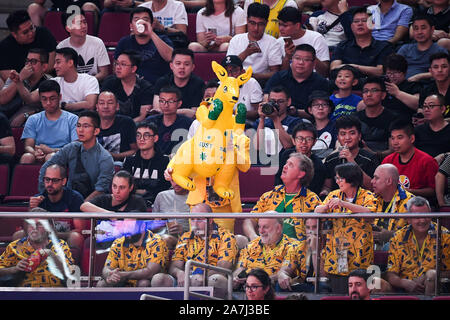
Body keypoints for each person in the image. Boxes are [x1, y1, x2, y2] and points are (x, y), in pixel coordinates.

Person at [315, 162, 378, 294]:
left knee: (360, 292)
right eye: (336, 178)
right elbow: (317, 210)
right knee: (339, 293)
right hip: (337, 253)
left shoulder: (367, 196)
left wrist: (344, 204)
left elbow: (370, 214)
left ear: (351, 178)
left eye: (340, 178)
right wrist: (326, 207)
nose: (337, 181)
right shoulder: (334, 194)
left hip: (360, 254)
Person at [151, 203, 237, 297]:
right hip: (186, 278)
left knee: (217, 280)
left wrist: (200, 275)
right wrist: (179, 273)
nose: (195, 224)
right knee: (158, 279)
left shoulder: (226, 236)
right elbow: (174, 266)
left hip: (210, 278)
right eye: (192, 219)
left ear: (210, 220)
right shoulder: (185, 237)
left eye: (199, 219)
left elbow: (223, 268)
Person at [38, 110, 114, 201]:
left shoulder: (105, 158)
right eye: (78, 126)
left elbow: (100, 190)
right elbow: (45, 168)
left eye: (86, 126)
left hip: (92, 206)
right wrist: (46, 197)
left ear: (96, 131)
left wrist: (80, 207)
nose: (80, 130)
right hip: (68, 200)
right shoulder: (71, 148)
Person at [243, 153, 322, 241]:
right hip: (267, 248)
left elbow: (320, 232)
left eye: (290, 165)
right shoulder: (269, 196)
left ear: (301, 174)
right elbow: (249, 220)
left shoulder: (311, 200)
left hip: (294, 251)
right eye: (286, 163)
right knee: (239, 239)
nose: (285, 166)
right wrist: (253, 236)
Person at [386, 196, 450, 294]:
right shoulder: (398, 237)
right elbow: (391, 274)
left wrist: (426, 276)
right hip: (403, 289)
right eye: (417, 217)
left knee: (431, 275)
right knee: (377, 283)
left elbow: (448, 272)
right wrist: (403, 283)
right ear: (408, 219)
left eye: (425, 215)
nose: (422, 220)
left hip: (436, 288)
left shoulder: (444, 235)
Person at [27, 164, 86, 262]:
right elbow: (29, 229)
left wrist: (55, 234)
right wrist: (31, 209)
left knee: (76, 237)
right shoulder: (38, 199)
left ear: (63, 181)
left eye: (54, 180)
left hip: (64, 238)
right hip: (42, 238)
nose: (50, 184)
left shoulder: (75, 198)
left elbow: (80, 230)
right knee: (19, 234)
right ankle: (25, 269)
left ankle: (72, 269)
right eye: (47, 179)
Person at [18, 47, 100, 114]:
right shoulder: (53, 82)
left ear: (70, 63)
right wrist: (18, 81)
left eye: (58, 62)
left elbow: (90, 104)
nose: (54, 66)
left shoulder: (90, 80)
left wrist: (63, 106)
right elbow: (30, 99)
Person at [0, 218, 74, 287]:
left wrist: (51, 255)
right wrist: (14, 269)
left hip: (53, 292)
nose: (34, 228)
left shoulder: (60, 245)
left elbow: (71, 276)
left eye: (39, 224)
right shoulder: (15, 246)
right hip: (24, 294)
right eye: (31, 224)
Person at [20, 80, 78, 165]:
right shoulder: (33, 119)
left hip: (62, 156)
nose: (48, 103)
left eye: (52, 98)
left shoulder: (73, 119)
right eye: (44, 99)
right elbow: (28, 146)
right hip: (39, 153)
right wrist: (35, 153)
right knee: (27, 157)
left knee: (51, 157)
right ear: (40, 99)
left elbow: (74, 147)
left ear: (60, 97)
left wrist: (52, 150)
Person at [264, 44, 331, 117]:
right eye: (297, 58)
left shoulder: (321, 82)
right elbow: (266, 97)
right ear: (291, 59)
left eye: (306, 59)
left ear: (314, 63)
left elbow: (321, 111)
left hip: (307, 122)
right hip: (278, 117)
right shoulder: (279, 77)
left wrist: (296, 112)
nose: (301, 63)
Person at [96, 219, 168, 287]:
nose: (126, 231)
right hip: (123, 279)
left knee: (144, 283)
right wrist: (109, 274)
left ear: (142, 227)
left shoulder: (156, 241)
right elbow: (107, 267)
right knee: (102, 283)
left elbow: (150, 272)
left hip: (145, 279)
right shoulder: (119, 242)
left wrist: (123, 275)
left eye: (130, 227)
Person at [234, 218, 302, 289]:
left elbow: (284, 272)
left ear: (278, 228)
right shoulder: (251, 245)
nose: (261, 231)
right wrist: (235, 278)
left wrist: (258, 281)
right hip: (246, 287)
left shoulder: (291, 245)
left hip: (271, 288)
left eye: (265, 227)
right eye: (259, 227)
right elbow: (240, 268)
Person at [322, 115, 379, 196]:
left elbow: (372, 187)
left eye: (352, 133)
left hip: (363, 203)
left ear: (359, 136)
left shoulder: (370, 158)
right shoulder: (331, 159)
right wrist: (325, 191)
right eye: (343, 134)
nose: (347, 137)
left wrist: (352, 161)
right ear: (338, 137)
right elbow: (327, 186)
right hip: (336, 203)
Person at [330, 6, 394, 78]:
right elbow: (334, 68)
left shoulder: (384, 47)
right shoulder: (342, 46)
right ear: (351, 26)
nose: (360, 24)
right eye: (356, 21)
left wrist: (353, 67)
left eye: (364, 20)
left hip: (372, 86)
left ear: (372, 24)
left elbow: (381, 71)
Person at [114, 7, 174, 84]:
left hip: (157, 85)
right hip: (132, 85)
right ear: (131, 26)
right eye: (136, 20)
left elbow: (170, 57)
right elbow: (116, 69)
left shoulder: (162, 39)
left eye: (145, 20)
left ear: (151, 25)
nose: (141, 23)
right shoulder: (124, 42)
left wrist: (151, 32)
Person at [382, 119, 438, 200]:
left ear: (412, 139)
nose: (395, 142)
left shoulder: (427, 161)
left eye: (399, 138)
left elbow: (434, 190)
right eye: (392, 138)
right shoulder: (388, 161)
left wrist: (409, 192)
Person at [226, 3, 282, 83]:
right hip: (235, 81)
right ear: (247, 21)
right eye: (252, 23)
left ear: (266, 23)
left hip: (261, 82)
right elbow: (229, 67)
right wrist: (245, 53)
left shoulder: (272, 43)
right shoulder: (236, 40)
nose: (256, 28)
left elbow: (275, 73)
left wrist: (252, 76)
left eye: (260, 24)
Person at [123, 121, 171, 207]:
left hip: (158, 205)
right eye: (138, 135)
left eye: (146, 135)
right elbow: (123, 185)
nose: (141, 139)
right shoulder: (129, 161)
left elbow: (164, 188)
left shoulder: (165, 161)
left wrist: (142, 191)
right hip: (131, 204)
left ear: (155, 138)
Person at [0, 10, 56, 81]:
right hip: (20, 85)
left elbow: (51, 64)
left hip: (47, 78)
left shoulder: (43, 33)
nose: (31, 33)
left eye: (32, 27)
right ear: (14, 34)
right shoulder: (4, 47)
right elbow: (7, 76)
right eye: (25, 32)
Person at [0, 48, 51, 127]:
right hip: (4, 117)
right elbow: (2, 99)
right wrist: (19, 78)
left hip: (28, 124)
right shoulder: (16, 76)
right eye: (27, 61)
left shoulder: (49, 82)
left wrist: (26, 115)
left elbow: (48, 109)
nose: (28, 65)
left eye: (33, 61)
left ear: (44, 67)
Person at [278, 218, 329, 293]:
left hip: (320, 285)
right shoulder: (298, 246)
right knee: (280, 285)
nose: (311, 231)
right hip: (303, 284)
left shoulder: (330, 247)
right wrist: (282, 275)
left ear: (322, 228)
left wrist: (315, 250)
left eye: (315, 227)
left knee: (323, 286)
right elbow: (285, 269)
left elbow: (323, 276)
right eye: (308, 228)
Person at [274, 122, 327, 196]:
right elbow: (278, 179)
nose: (304, 142)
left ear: (314, 142)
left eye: (308, 139)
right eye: (300, 138)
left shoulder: (318, 164)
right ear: (293, 140)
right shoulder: (286, 155)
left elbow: (313, 191)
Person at [57, 10, 110, 82]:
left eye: (85, 22)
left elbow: (104, 73)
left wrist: (86, 82)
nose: (84, 26)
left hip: (93, 83)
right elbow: (61, 74)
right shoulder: (61, 47)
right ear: (68, 28)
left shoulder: (98, 43)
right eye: (79, 23)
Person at [101, 50, 154, 122]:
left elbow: (142, 116)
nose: (118, 67)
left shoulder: (145, 87)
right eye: (117, 64)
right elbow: (102, 109)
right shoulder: (109, 83)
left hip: (135, 126)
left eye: (123, 64)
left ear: (133, 69)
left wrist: (126, 127)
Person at [277, 7, 330, 78]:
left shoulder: (316, 38)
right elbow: (281, 76)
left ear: (297, 26)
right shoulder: (279, 42)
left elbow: (325, 72)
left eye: (285, 25)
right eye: (279, 24)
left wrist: (309, 56)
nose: (280, 28)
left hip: (314, 81)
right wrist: (287, 57)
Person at [152, 48, 205, 118]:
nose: (182, 67)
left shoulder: (198, 84)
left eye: (186, 64)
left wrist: (168, 111)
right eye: (178, 63)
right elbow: (157, 109)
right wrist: (185, 111)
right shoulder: (162, 82)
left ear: (192, 67)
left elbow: (193, 114)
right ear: (171, 66)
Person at [371, 163, 415, 247]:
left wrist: (392, 235)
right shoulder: (370, 199)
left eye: (376, 178)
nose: (372, 181)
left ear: (389, 181)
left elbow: (419, 233)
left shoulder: (411, 202)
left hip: (400, 252)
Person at [253, 85, 305, 156]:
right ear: (267, 101)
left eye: (280, 101)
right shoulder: (259, 122)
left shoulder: (296, 122)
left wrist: (275, 119)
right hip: (261, 163)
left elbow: (288, 145)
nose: (276, 104)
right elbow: (257, 147)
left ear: (288, 102)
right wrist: (262, 118)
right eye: (272, 101)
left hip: (284, 162)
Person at [397, 14, 447, 82]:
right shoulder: (405, 49)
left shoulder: (439, 51)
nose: (419, 32)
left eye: (423, 28)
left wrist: (420, 76)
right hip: (404, 85)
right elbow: (393, 68)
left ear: (432, 30)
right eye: (416, 28)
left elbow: (445, 72)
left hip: (428, 87)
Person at [145, 86, 193, 156]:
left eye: (171, 101)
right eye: (162, 101)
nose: (166, 105)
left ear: (179, 103)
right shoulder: (150, 122)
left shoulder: (188, 123)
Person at [356, 76, 396, 153]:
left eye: (374, 90)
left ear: (383, 95)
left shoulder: (394, 119)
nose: (369, 94)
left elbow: (393, 150)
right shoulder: (354, 119)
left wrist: (372, 154)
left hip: (385, 162)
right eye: (365, 91)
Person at [96, 91, 138, 164]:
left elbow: (135, 150)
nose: (105, 106)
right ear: (97, 107)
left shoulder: (127, 123)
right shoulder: (91, 123)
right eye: (102, 103)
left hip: (120, 166)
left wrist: (116, 156)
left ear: (117, 106)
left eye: (110, 103)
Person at [379, 53, 421, 123]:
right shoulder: (382, 85)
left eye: (396, 72)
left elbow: (418, 104)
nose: (392, 76)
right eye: (389, 73)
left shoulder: (412, 86)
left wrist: (397, 93)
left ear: (404, 73)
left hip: (404, 122)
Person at [80, 170, 147, 213]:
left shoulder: (137, 201)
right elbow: (84, 206)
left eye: (122, 187)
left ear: (130, 187)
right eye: (114, 186)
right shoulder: (104, 199)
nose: (117, 191)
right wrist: (109, 214)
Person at [221, 55, 262, 122]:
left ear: (243, 72)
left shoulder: (252, 83)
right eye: (226, 72)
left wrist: (232, 112)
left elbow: (258, 112)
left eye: (234, 71)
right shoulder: (219, 85)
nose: (230, 75)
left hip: (247, 123)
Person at [152, 179, 191, 249]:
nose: (176, 184)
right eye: (173, 180)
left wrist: (183, 230)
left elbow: (201, 227)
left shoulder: (195, 197)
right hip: (165, 235)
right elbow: (154, 224)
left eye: (179, 180)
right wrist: (159, 224)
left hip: (188, 237)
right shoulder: (162, 196)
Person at [414, 93, 450, 157]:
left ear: (442, 109)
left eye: (431, 106)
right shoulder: (418, 130)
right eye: (424, 106)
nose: (426, 109)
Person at [306, 90, 337, 159]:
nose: (320, 108)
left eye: (324, 104)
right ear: (310, 110)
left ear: (329, 109)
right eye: (316, 105)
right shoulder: (307, 129)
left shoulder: (337, 127)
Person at [419, 52, 450, 118]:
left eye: (444, 66)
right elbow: (421, 111)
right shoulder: (426, 91)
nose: (440, 70)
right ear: (430, 71)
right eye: (436, 67)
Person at [27, 0, 100, 27]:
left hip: (85, 9)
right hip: (60, 10)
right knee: (33, 8)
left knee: (88, 7)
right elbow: (39, 1)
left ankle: (90, 42)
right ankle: (39, 43)